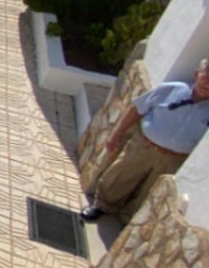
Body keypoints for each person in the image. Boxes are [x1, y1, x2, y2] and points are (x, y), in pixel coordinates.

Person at [82, 58, 209, 222]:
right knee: (121, 175)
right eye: (206, 78)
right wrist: (116, 135)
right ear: (196, 75)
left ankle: (129, 220)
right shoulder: (171, 90)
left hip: (174, 159)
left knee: (149, 191)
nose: (208, 85)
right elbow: (136, 109)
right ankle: (102, 205)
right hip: (143, 146)